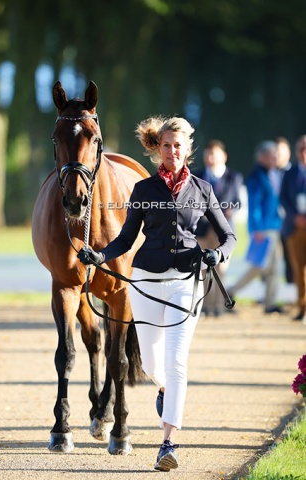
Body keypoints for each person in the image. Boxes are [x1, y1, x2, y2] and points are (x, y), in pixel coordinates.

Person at [77, 116, 236, 471]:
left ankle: (168, 444)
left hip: (187, 280)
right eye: (166, 145)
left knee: (177, 362)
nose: (172, 151)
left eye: (178, 145)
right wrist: (99, 255)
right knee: (150, 363)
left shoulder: (202, 189)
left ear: (187, 150)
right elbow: (125, 238)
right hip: (146, 280)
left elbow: (229, 237)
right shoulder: (144, 191)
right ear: (158, 149)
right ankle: (164, 390)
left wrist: (218, 254)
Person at [228, 140, 283, 314]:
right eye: (269, 156)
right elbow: (254, 205)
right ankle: (230, 292)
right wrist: (257, 229)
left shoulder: (273, 174)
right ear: (261, 157)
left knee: (274, 268)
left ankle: (270, 303)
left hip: (274, 226)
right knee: (259, 266)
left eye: (274, 156)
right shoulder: (256, 177)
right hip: (263, 229)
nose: (273, 159)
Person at [195, 139, 243, 316]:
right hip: (201, 229)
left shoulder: (234, 177)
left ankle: (218, 306)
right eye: (208, 153)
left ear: (224, 156)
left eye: (213, 153)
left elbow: (238, 202)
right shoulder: (197, 175)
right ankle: (204, 306)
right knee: (202, 269)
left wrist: (230, 209)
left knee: (220, 269)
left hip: (222, 230)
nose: (210, 157)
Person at [280, 134, 306, 321]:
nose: (304, 152)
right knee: (299, 269)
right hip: (294, 228)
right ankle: (302, 307)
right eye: (301, 149)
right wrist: (295, 217)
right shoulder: (290, 173)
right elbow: (283, 198)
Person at [275, 136, 293, 284]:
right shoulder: (270, 173)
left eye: (281, 151)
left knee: (291, 259)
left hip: (291, 222)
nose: (278, 155)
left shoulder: (294, 173)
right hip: (274, 224)